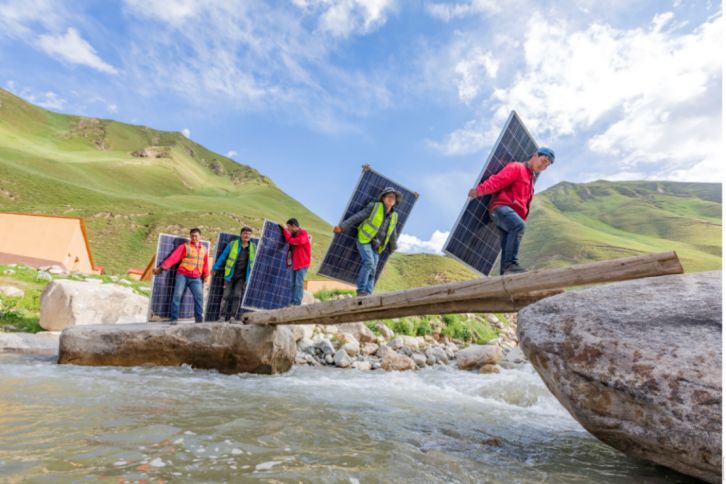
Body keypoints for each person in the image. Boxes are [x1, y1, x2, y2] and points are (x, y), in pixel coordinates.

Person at [467, 147, 555, 275]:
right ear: (535, 155)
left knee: (507, 245)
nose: (544, 166)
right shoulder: (517, 167)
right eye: (543, 160)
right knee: (518, 226)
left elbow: (524, 205)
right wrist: (479, 191)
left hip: (511, 216)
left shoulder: (531, 182)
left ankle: (506, 277)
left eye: (547, 165)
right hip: (501, 208)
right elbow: (498, 180)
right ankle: (510, 265)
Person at [335, 187, 401, 296]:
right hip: (364, 239)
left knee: (373, 269)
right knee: (369, 262)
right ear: (383, 198)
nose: (391, 199)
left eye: (393, 197)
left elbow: (392, 232)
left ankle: (369, 293)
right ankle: (361, 291)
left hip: (377, 246)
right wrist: (342, 226)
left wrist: (393, 246)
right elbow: (358, 216)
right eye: (389, 196)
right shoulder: (374, 207)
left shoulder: (394, 216)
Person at [152, 228, 209, 324]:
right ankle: (174, 319)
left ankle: (199, 320)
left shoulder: (204, 249)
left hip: (196, 278)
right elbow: (173, 258)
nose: (194, 238)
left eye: (196, 236)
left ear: (200, 237)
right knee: (177, 296)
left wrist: (206, 275)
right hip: (182, 275)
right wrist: (161, 268)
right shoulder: (184, 247)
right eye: (192, 236)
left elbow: (205, 263)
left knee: (199, 298)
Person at [212, 227, 256, 322]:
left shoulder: (253, 247)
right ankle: (222, 317)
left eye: (249, 234)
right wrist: (215, 267)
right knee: (226, 295)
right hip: (230, 275)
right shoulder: (232, 244)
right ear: (241, 234)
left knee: (237, 296)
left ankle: (233, 317)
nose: (247, 235)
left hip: (242, 277)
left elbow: (256, 262)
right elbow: (223, 256)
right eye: (245, 233)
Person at [280, 218, 311, 306]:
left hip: (302, 263)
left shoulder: (303, 233)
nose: (288, 229)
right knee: (293, 283)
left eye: (288, 227)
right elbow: (290, 240)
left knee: (299, 283)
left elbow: (298, 241)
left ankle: (297, 303)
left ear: (293, 226)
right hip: (295, 262)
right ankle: (292, 302)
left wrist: (285, 231)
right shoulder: (294, 234)